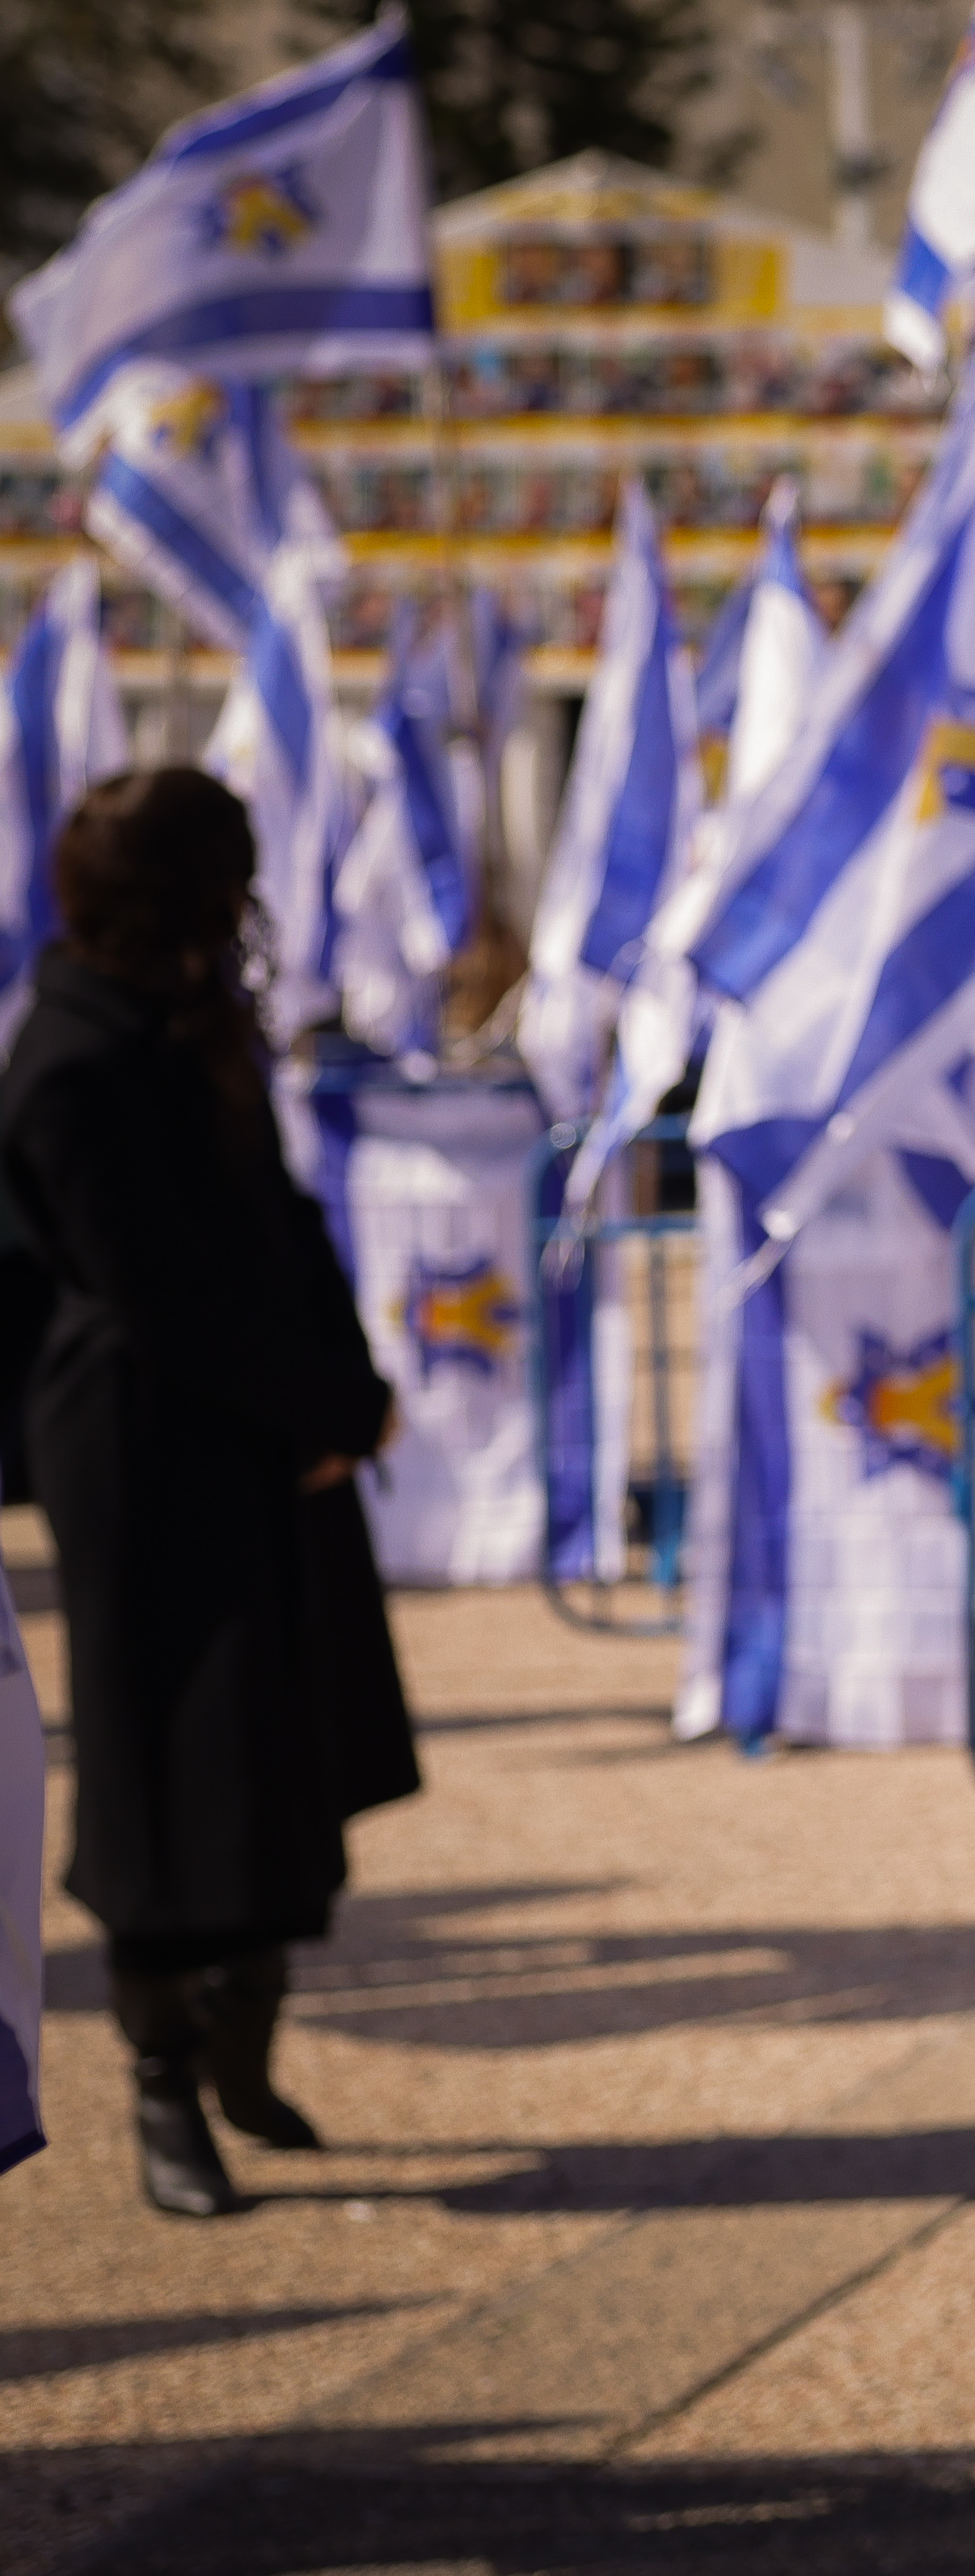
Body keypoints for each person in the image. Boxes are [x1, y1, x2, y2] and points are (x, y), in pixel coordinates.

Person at [0, 769, 414, 2219]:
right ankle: (164, 2083)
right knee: (167, 1785)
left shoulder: (190, 1027)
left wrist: (350, 1395)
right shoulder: (66, 1061)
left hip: (264, 1438)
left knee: (283, 1758)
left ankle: (247, 2047)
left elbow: (279, 1219)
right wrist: (316, 1412)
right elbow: (154, 1295)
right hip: (141, 1459)